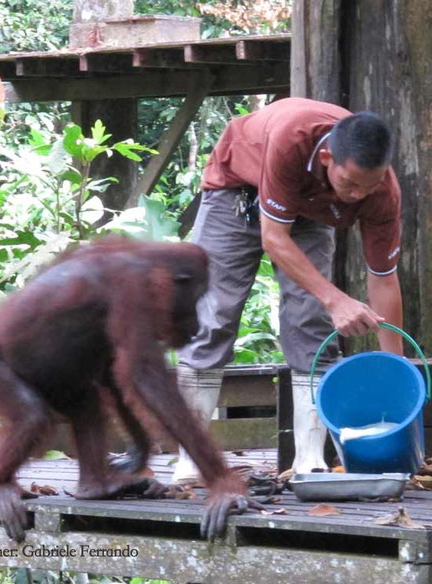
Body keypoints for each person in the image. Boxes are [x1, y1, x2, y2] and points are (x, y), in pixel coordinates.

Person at [173, 97, 404, 482]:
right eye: (350, 183)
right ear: (328, 157)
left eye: (371, 184)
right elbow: (274, 239)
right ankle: (191, 457)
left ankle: (309, 459)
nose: (359, 194)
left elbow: (383, 278)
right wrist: (336, 298)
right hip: (236, 192)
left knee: (311, 322)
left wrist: (394, 369)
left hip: (311, 211)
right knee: (214, 314)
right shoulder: (293, 137)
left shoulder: (380, 192)